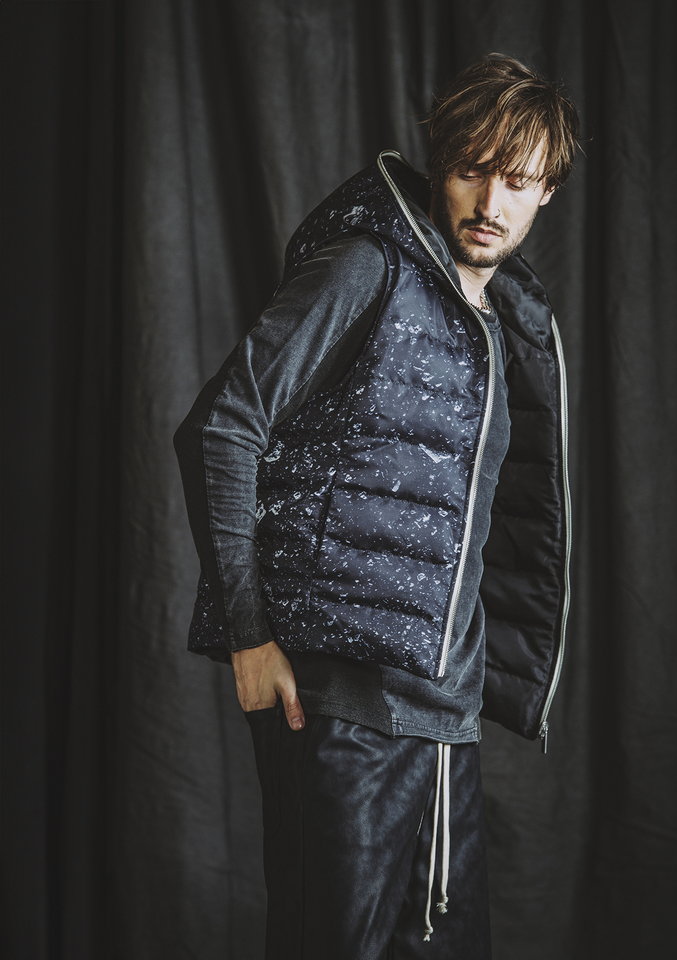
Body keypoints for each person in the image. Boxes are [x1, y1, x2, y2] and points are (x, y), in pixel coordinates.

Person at [174, 53, 578, 960]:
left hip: (446, 722)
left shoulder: (505, 323)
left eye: (518, 181)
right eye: (474, 169)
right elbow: (221, 427)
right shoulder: (369, 268)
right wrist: (248, 635)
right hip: (342, 714)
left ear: (547, 191)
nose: (491, 202)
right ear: (441, 163)